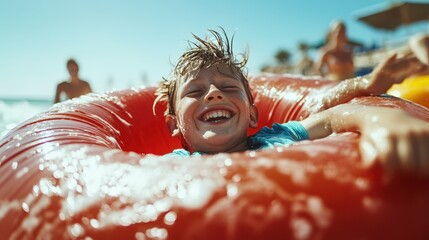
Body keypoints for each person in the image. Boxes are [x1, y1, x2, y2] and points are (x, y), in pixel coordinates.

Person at [154, 28, 429, 176]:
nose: (214, 94)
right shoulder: (171, 167)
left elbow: (335, 116)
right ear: (173, 124)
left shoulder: (279, 137)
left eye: (227, 86)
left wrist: (381, 119)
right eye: (194, 92)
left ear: (252, 115)